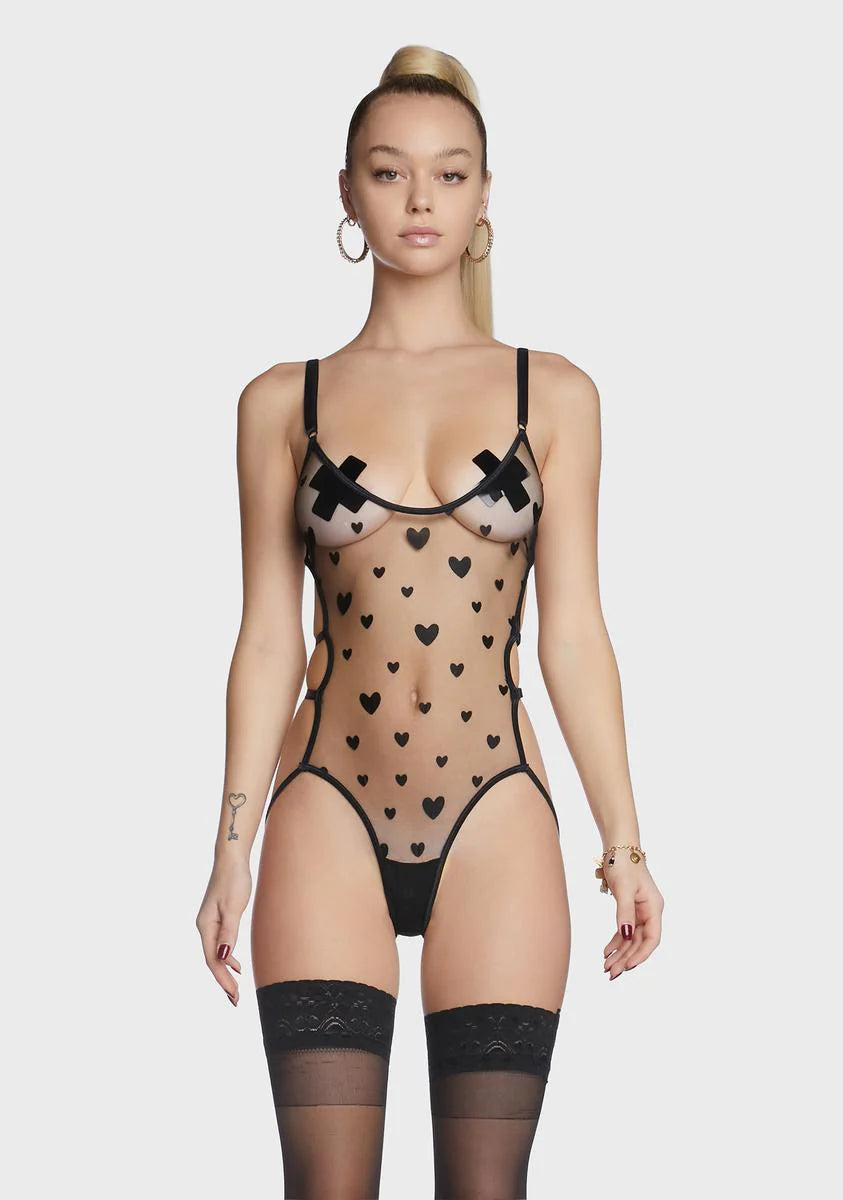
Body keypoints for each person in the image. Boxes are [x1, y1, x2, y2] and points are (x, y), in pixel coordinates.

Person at [195, 43, 664, 1199]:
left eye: (450, 174)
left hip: (495, 809)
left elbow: (575, 634)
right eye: (390, 171)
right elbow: (267, 638)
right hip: (327, 806)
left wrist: (626, 845)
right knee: (325, 1190)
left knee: (487, 1191)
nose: (420, 199)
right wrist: (229, 849)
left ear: (485, 195)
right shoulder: (280, 401)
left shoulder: (554, 393)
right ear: (347, 193)